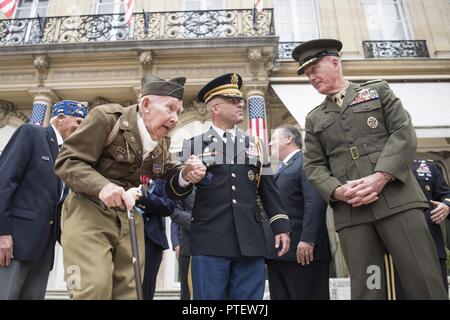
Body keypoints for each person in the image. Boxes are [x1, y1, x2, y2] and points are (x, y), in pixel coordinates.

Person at [294, 38, 448, 300]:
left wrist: (381, 176)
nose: (310, 77)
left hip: (398, 202)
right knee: (369, 286)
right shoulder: (314, 118)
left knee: (423, 279)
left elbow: (403, 134)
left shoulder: (378, 91)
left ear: (334, 62)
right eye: (306, 74)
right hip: (353, 214)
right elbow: (314, 165)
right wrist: (337, 192)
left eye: (314, 69)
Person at [54, 75, 205, 299]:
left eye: (178, 112)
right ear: (145, 104)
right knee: (93, 289)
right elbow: (67, 162)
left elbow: (164, 171)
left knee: (130, 293)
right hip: (88, 211)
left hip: (129, 218)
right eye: (169, 108)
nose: (174, 119)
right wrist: (102, 186)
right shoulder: (106, 118)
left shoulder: (160, 140)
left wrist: (185, 174)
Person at [176, 73, 291, 300]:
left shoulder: (255, 145)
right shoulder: (194, 144)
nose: (241, 103)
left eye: (240, 99)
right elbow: (180, 194)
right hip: (209, 241)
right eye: (233, 100)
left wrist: (281, 226)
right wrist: (185, 177)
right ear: (215, 108)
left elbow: (268, 190)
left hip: (250, 242)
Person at [0, 100, 88, 299]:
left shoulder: (66, 155)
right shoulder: (31, 134)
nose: (81, 130)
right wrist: (2, 233)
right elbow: (4, 181)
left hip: (43, 250)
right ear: (61, 119)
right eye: (79, 122)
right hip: (14, 245)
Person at [266, 125, 330, 300]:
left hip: (303, 251)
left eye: (273, 138)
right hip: (280, 253)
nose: (270, 143)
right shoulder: (282, 167)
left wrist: (308, 239)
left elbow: (314, 202)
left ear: (289, 139)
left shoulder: (305, 162)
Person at [135, 179, 175, 300]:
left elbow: (168, 206)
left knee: (146, 290)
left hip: (151, 241)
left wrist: (143, 195)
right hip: (122, 233)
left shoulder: (160, 178)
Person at [170, 187, 195, 300]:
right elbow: (174, 213)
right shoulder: (186, 183)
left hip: (216, 247)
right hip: (188, 245)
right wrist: (176, 243)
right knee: (187, 292)